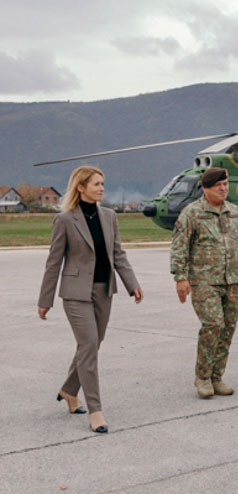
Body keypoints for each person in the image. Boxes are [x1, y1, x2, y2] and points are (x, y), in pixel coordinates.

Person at [38, 166, 143, 434]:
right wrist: (45, 299)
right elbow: (54, 262)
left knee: (92, 346)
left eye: (103, 183)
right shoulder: (64, 220)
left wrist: (132, 284)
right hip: (75, 293)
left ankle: (69, 391)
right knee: (89, 345)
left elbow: (118, 254)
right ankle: (96, 410)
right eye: (96, 184)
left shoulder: (109, 216)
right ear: (81, 187)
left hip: (104, 291)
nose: (102, 188)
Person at [170, 167, 238, 399]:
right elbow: (179, 247)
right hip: (204, 282)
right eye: (218, 185)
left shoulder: (235, 212)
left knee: (227, 328)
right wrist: (180, 277)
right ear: (206, 189)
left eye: (225, 184)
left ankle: (216, 377)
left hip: (232, 280)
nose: (223, 188)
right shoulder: (192, 213)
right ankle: (202, 377)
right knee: (213, 324)